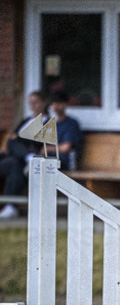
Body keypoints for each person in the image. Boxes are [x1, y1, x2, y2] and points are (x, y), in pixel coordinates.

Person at [0, 91, 51, 219]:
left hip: (27, 157)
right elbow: (13, 137)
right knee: (13, 144)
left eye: (36, 102)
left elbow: (40, 143)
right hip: (18, 155)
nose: (32, 106)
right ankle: (29, 157)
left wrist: (19, 139)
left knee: (16, 163)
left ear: (44, 103)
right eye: (30, 103)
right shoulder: (26, 120)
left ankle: (10, 205)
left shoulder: (48, 122)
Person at [44, 90, 83, 171]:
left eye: (58, 103)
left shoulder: (71, 124)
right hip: (49, 159)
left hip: (64, 161)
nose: (55, 107)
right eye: (53, 104)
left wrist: (48, 149)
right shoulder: (49, 123)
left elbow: (66, 148)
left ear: (65, 105)